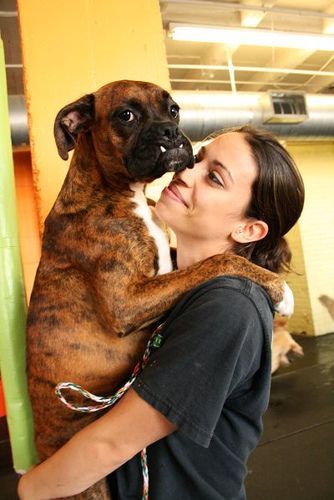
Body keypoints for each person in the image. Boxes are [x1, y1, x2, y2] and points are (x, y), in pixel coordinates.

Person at [18, 125, 304, 499]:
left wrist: (30, 487)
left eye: (214, 178)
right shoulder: (169, 278)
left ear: (248, 228)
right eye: (198, 159)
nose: (184, 171)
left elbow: (112, 443)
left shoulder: (230, 306)